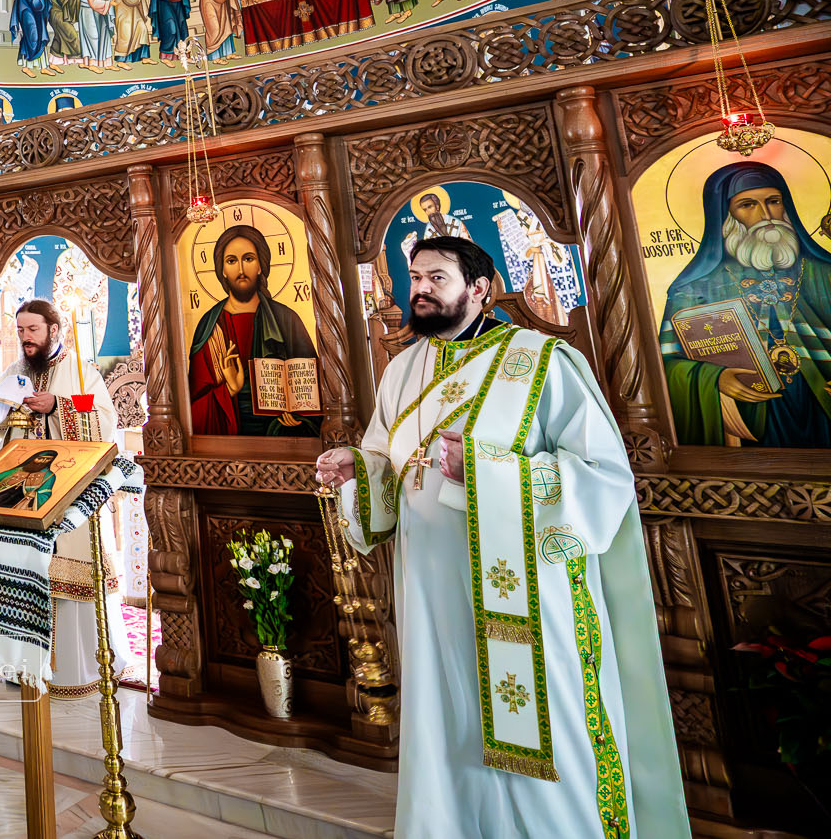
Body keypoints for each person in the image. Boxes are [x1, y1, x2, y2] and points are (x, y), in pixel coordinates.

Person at [316, 238, 688, 839]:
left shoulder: (541, 361)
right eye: (414, 277)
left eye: (437, 278)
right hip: (430, 597)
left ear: (480, 289)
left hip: (528, 598)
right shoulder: (403, 369)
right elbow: (388, 463)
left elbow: (602, 476)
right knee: (447, 725)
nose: (420, 289)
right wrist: (357, 470)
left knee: (546, 730)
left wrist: (488, 471)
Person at [0, 298, 140, 698]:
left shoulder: (81, 373)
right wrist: (5, 414)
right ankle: (23, 665)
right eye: (20, 331)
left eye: (32, 330)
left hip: (71, 495)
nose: (25, 339)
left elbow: (104, 421)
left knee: (69, 579)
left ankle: (76, 668)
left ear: (54, 330)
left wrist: (57, 406)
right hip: (22, 495)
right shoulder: (15, 372)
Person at [658, 161, 831, 447]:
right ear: (725, 217)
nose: (766, 215)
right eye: (747, 205)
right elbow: (664, 366)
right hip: (752, 413)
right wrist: (715, 380)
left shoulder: (823, 272)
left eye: (774, 202)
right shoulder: (693, 288)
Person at [186, 224, 321, 437]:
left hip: (282, 437)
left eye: (248, 259)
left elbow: (312, 386)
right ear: (222, 269)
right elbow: (192, 408)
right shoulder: (210, 327)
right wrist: (230, 389)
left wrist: (300, 416)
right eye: (231, 261)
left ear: (260, 265)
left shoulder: (286, 319)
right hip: (228, 440)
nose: (240, 270)